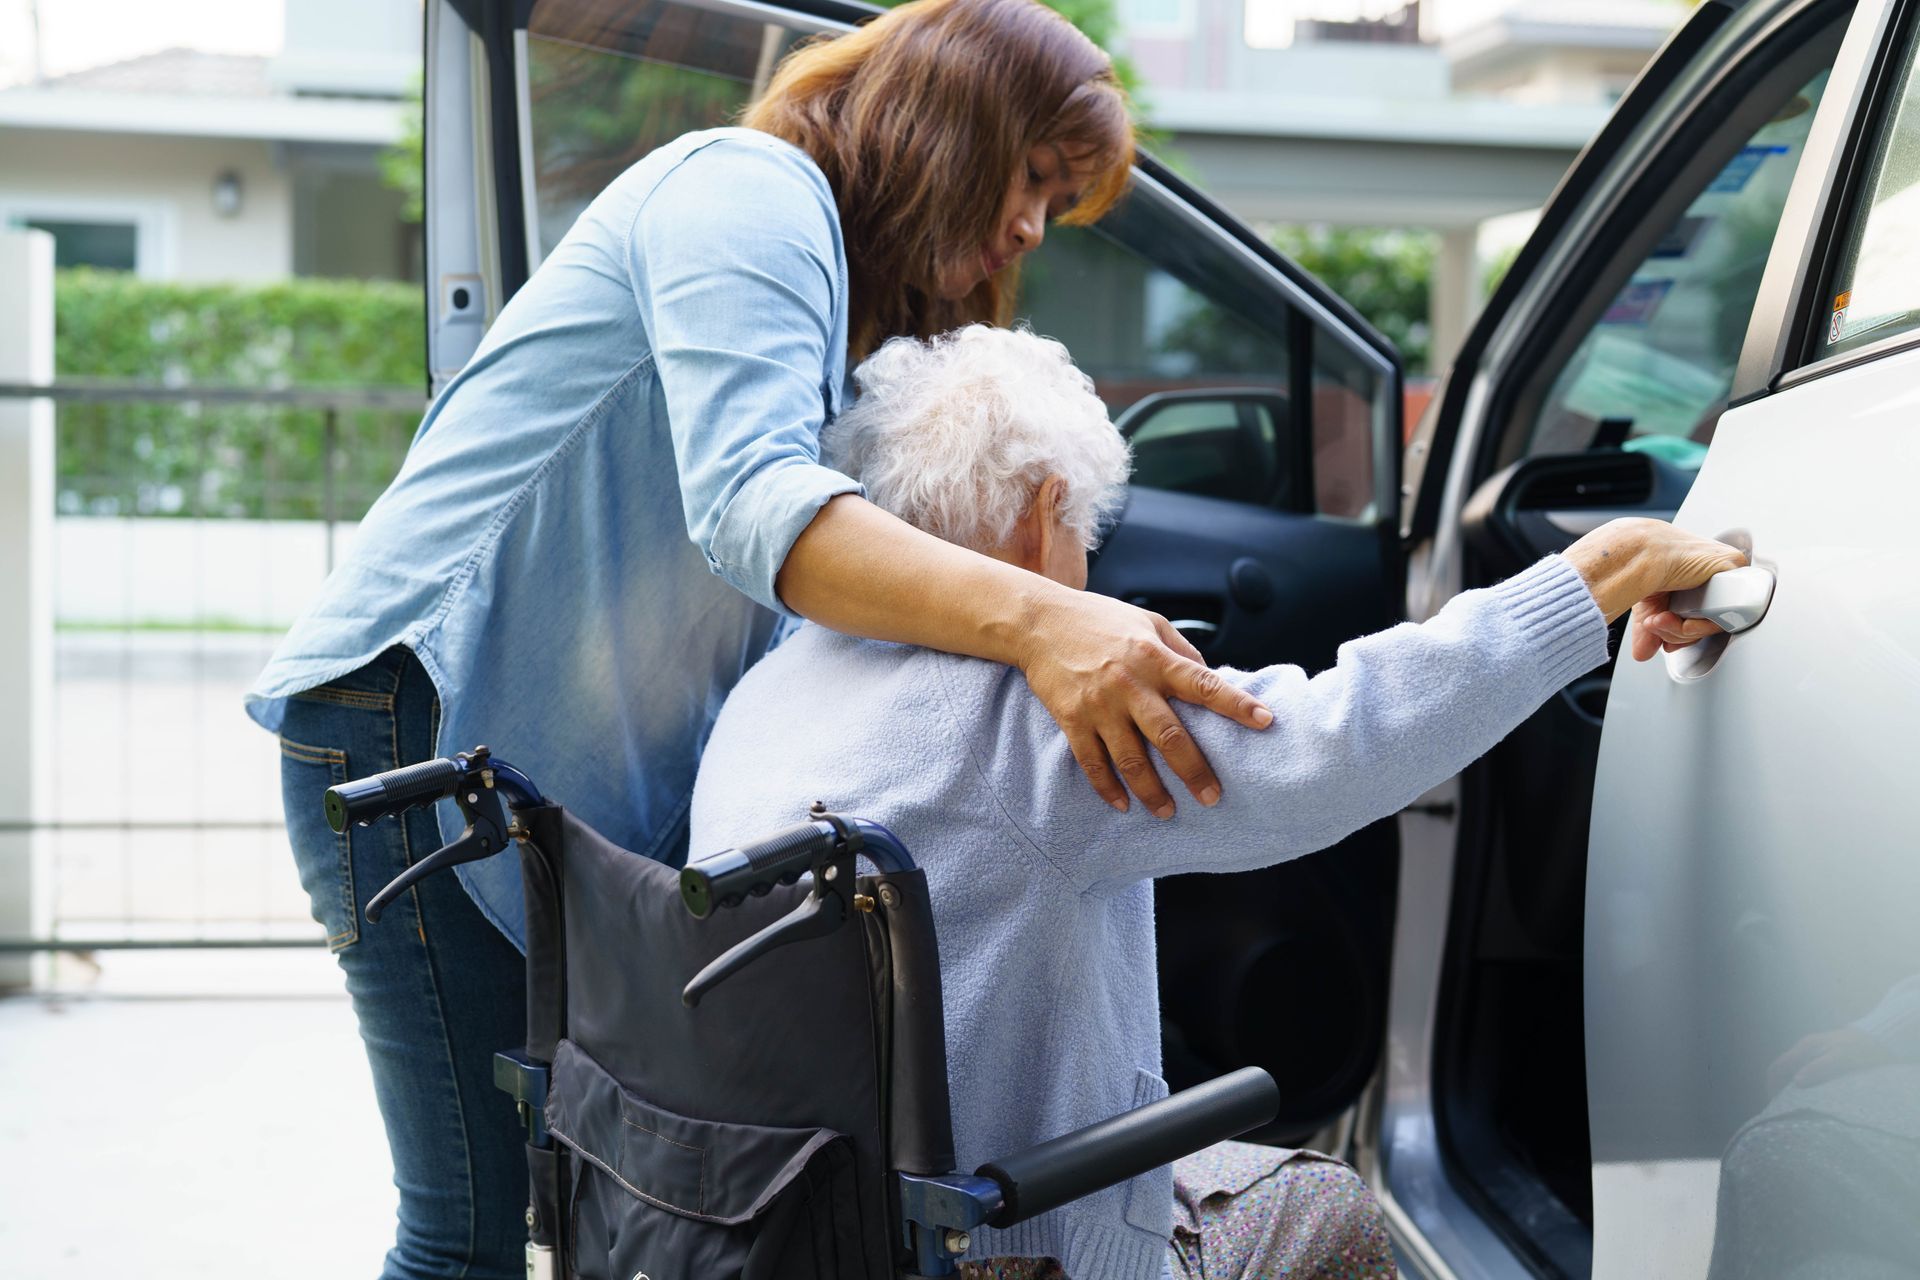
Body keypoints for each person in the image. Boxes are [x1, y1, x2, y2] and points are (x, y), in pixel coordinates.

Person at [246, 3, 1271, 1276]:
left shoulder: (840, 297)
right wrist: (1051, 621)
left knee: (590, 1200)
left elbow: (838, 580)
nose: (1029, 230)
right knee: (471, 1224)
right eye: (1033, 180)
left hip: (540, 767)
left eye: (1056, 206)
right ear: (952, 122)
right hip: (417, 720)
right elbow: (753, 510)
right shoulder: (747, 191)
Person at [688, 324, 1749, 1280]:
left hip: (790, 1224)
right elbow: (1335, 745)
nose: (1088, 574)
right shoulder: (1034, 712)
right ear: (1045, 513)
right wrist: (1592, 575)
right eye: (1087, 534)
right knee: (1325, 1205)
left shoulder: (771, 685)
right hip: (1002, 1243)